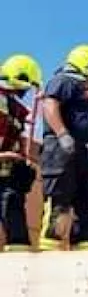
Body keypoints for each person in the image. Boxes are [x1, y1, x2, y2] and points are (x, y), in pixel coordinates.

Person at [39, 45, 88, 251]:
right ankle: (49, 251)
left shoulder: (82, 91)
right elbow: (50, 105)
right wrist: (62, 134)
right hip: (61, 150)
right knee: (59, 203)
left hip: (83, 152)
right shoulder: (64, 81)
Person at [0, 54, 42, 252]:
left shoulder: (14, 108)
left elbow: (13, 142)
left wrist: (21, 163)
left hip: (5, 176)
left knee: (12, 204)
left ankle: (19, 254)